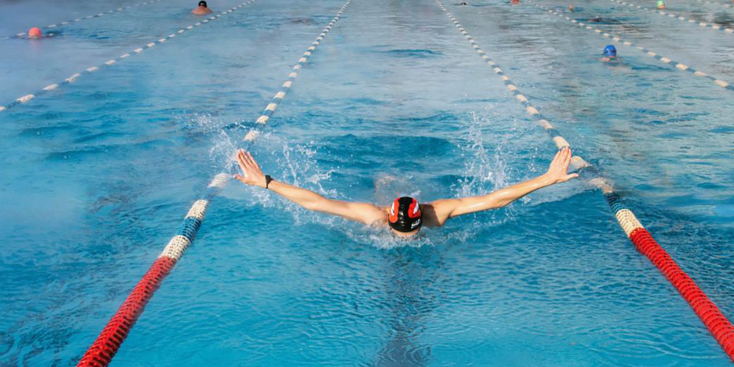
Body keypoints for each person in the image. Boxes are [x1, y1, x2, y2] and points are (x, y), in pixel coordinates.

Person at [233, 146, 577, 237]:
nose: (407, 236)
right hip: (387, 198)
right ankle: (387, 181)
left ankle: (393, 180)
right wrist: (266, 183)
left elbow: (494, 200)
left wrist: (546, 179)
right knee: (386, 183)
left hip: (418, 199)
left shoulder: (435, 212)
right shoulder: (375, 216)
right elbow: (317, 204)